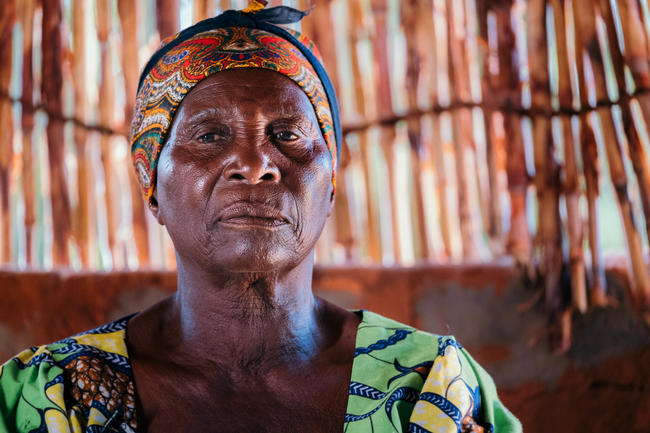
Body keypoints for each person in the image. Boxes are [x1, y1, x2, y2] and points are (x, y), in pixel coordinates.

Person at [0, 3, 521, 432]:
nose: (254, 165)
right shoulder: (51, 397)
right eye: (209, 136)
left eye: (288, 134)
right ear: (151, 184)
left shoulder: (427, 388)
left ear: (331, 179)